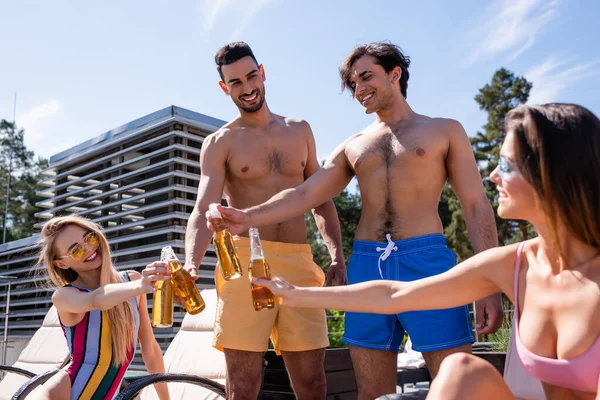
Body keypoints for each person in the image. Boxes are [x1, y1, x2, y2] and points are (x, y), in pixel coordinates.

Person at [206, 42, 503, 398]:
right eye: (352, 84)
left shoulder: (444, 130)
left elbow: (475, 205)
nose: (358, 89)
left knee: (457, 386)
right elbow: (305, 194)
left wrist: (489, 282)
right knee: (371, 394)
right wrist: (246, 217)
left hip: (428, 262)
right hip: (367, 265)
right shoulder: (354, 146)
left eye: (366, 77)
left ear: (395, 74)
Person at [252, 103, 600, 399]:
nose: (493, 175)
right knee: (461, 370)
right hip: (372, 260)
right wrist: (293, 295)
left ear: (552, 171)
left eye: (507, 166)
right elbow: (394, 295)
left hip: (424, 252)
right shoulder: (514, 263)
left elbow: (474, 206)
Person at [183, 42, 346, 400]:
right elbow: (202, 208)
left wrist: (336, 256)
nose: (247, 87)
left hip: (298, 260)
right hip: (243, 262)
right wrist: (191, 265)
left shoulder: (299, 130)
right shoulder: (220, 142)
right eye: (236, 82)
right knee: (243, 386)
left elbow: (320, 200)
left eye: (251, 76)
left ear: (263, 72)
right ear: (224, 87)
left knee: (312, 383)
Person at [32, 215, 171, 400]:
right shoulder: (65, 296)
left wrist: (166, 399)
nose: (89, 249)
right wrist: (140, 287)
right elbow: (96, 300)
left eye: (90, 238)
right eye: (77, 250)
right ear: (62, 264)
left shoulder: (132, 281)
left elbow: (150, 349)